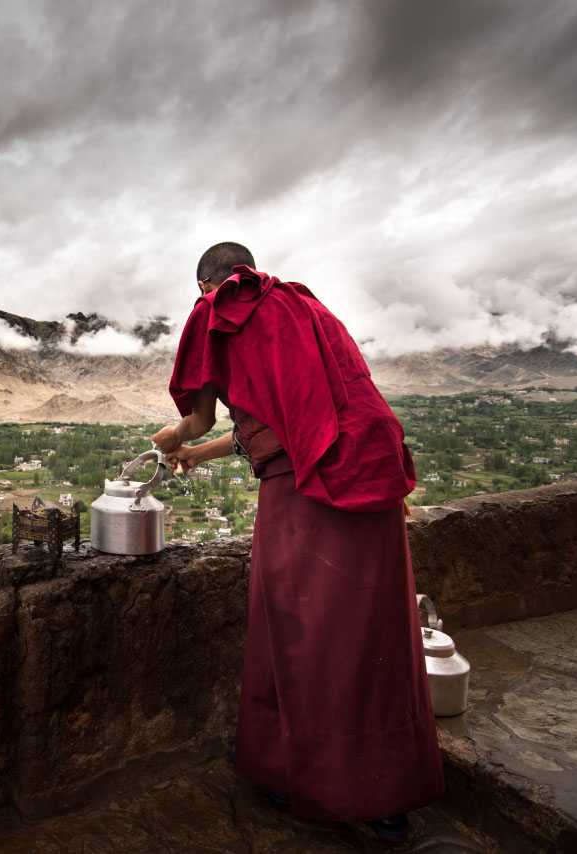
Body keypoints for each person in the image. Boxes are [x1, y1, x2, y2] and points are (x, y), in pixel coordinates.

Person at [152, 242, 443, 843]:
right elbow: (290, 419)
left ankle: (304, 778)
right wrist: (197, 458)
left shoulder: (218, 310)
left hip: (309, 489)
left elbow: (203, 418)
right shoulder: (307, 309)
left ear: (206, 285)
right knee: (375, 632)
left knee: (300, 629)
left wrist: (172, 438)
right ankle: (386, 794)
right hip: (371, 469)